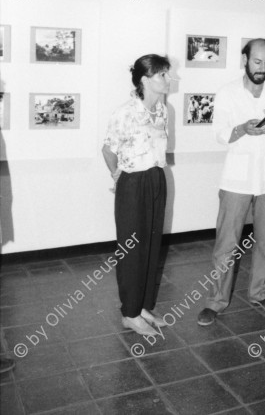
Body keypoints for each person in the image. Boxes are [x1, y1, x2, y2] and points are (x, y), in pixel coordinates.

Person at [198, 39, 265, 325]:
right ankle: (216, 301)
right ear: (245, 59)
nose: (263, 69)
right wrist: (242, 129)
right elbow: (219, 133)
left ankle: (260, 292)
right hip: (236, 179)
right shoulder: (227, 93)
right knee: (226, 244)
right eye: (257, 62)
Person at [102, 54, 172, 336]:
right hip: (133, 183)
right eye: (162, 75)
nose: (169, 79)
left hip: (156, 177)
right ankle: (129, 313)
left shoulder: (163, 109)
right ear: (145, 80)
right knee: (132, 249)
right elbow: (108, 149)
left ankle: (142, 306)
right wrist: (117, 174)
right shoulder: (125, 112)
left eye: (167, 74)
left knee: (152, 245)